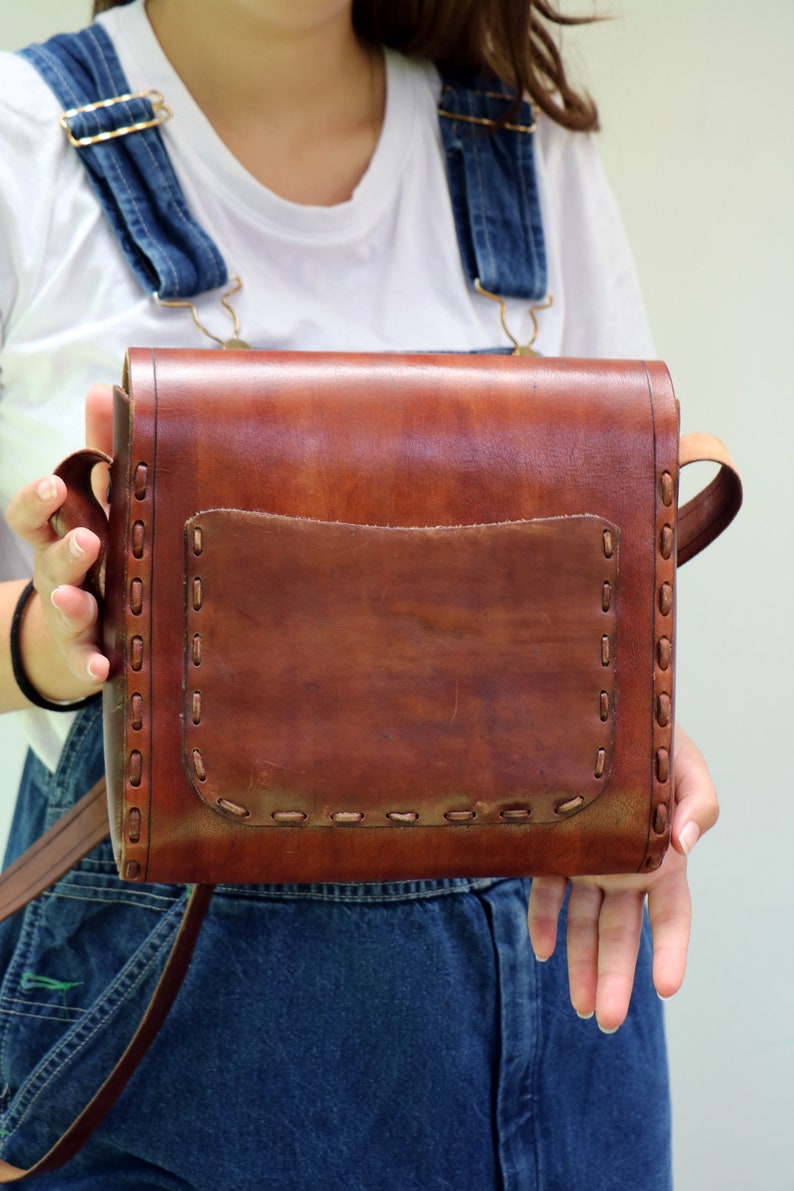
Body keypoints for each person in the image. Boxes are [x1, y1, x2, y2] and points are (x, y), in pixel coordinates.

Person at [0, 1, 719, 1186]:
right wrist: (52, 633)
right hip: (162, 1032)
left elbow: (610, 565)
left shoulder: (529, 147)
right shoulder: (23, 142)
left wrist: (635, 759)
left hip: (558, 1010)